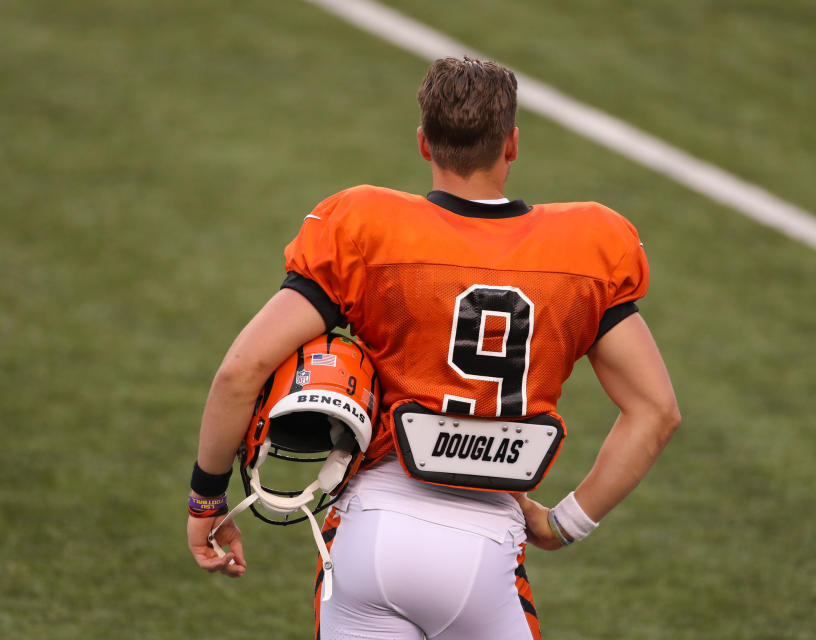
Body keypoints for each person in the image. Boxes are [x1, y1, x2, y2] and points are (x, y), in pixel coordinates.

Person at [187, 56, 681, 640]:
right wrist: (560, 525)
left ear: (424, 143)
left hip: (374, 527)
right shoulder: (588, 246)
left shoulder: (366, 226)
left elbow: (240, 371)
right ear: (512, 144)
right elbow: (656, 410)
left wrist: (206, 504)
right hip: (488, 541)